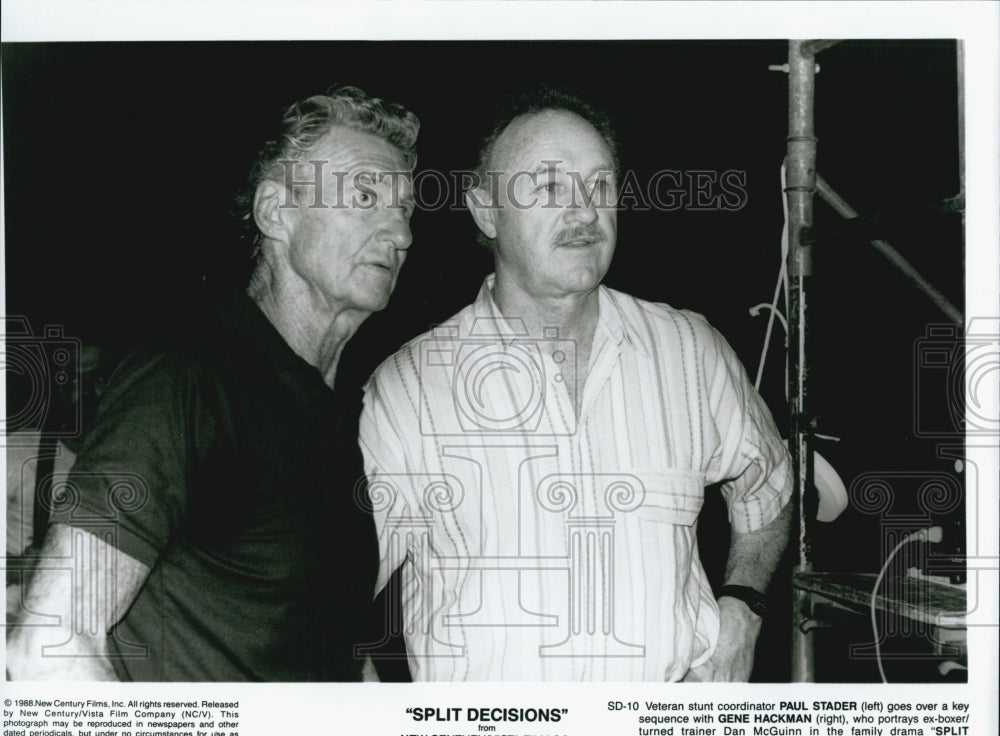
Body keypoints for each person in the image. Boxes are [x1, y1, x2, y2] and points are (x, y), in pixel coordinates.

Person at [359, 88, 792, 682]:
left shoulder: (691, 351)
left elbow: (768, 489)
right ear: (486, 211)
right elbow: (327, 600)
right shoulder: (406, 392)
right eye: (549, 187)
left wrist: (744, 610)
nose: (585, 212)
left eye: (600, 186)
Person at [7, 86, 419, 681]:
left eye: (405, 208)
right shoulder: (189, 376)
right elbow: (49, 644)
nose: (400, 233)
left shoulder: (334, 421)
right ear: (277, 212)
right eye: (364, 195)